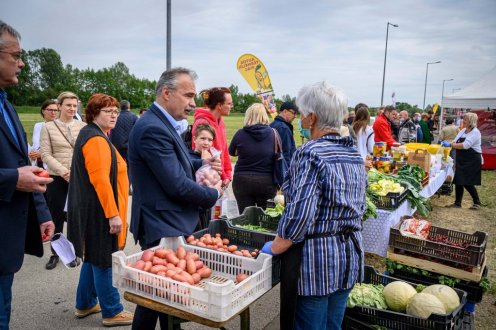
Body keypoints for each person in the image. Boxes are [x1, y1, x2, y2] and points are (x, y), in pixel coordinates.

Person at [261, 81, 366, 330]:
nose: (300, 118)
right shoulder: (353, 155)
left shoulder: (310, 153)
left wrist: (276, 245)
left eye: (302, 113)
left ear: (312, 118)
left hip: (318, 262)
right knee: (333, 324)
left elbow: (300, 215)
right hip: (348, 257)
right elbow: (359, 206)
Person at [127, 67, 222, 329]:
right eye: (188, 95)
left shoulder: (162, 123)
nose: (193, 103)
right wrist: (213, 194)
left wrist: (200, 164)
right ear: (167, 93)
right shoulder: (152, 128)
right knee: (155, 300)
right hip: (161, 222)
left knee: (165, 300)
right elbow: (176, 185)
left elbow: (175, 163)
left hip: (167, 220)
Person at [0, 20, 55, 329]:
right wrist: (11, 179)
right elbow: (16, 173)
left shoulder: (6, 104)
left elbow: (23, 163)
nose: (21, 63)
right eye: (15, 55)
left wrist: (42, 213)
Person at [67, 93, 133, 326]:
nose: (114, 115)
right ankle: (112, 310)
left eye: (116, 111)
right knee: (104, 259)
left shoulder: (96, 135)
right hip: (100, 212)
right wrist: (113, 214)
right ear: (94, 113)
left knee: (94, 258)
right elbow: (100, 180)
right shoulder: (95, 139)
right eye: (108, 111)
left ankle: (85, 303)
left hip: (93, 210)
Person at [40, 91, 86, 269]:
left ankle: (76, 251)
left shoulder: (82, 126)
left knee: (76, 216)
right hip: (57, 178)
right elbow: (45, 154)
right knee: (56, 217)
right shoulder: (49, 127)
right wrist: (63, 171)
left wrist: (76, 172)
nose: (72, 108)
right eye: (68, 105)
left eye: (74, 106)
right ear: (59, 106)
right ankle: (55, 253)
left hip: (77, 178)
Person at [229, 103, 278, 213]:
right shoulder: (274, 134)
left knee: (244, 217)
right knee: (266, 217)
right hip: (266, 181)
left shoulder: (240, 133)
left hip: (242, 180)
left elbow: (231, 152)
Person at [191, 87, 233, 188]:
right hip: (207, 180)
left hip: (219, 177)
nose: (232, 106)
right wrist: (222, 176)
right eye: (229, 103)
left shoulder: (220, 122)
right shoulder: (202, 122)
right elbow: (206, 156)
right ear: (219, 105)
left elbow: (224, 151)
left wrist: (227, 174)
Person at [443, 112, 482, 210]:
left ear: (471, 121)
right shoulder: (463, 130)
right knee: (458, 180)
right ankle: (457, 203)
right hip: (462, 158)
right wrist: (448, 143)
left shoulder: (475, 132)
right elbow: (455, 141)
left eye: (465, 119)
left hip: (472, 159)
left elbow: (465, 145)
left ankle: (477, 202)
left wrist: (451, 145)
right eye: (463, 119)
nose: (463, 121)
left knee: (467, 182)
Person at [188, 123, 216, 229]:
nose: (206, 143)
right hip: (192, 209)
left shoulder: (212, 157)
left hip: (206, 207)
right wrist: (203, 160)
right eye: (203, 138)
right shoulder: (188, 156)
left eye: (210, 140)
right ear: (194, 139)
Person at [28, 99, 58, 168]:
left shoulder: (61, 127)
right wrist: (32, 153)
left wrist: (41, 154)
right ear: (43, 111)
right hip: (38, 163)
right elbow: (36, 144)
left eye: (55, 110)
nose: (53, 113)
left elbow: (61, 150)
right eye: (50, 110)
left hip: (53, 166)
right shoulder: (38, 126)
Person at [270, 101, 297, 166]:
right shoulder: (284, 128)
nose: (295, 116)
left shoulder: (272, 125)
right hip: (283, 169)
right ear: (285, 111)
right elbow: (286, 154)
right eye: (293, 113)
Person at [352, 103, 374, 170]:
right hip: (364, 161)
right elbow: (371, 149)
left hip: (352, 160)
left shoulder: (351, 128)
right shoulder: (369, 130)